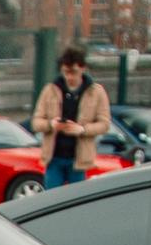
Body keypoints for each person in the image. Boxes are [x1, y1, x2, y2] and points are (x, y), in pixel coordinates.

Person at [31, 47, 110, 186]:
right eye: (66, 72)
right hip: (54, 158)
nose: (69, 77)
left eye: (73, 72)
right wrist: (51, 124)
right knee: (52, 199)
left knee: (76, 200)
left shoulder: (96, 92)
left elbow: (104, 124)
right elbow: (36, 122)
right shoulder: (50, 90)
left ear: (82, 68)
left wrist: (82, 129)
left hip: (79, 160)